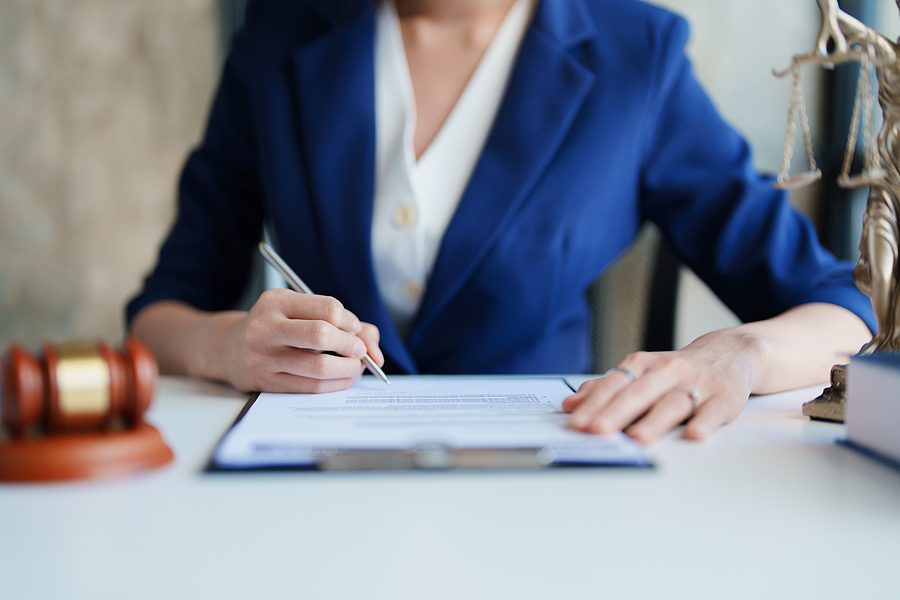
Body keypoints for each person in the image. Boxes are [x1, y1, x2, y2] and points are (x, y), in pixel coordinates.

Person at [127, 0, 874, 443]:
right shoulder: (280, 33)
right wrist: (229, 345)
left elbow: (851, 309)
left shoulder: (632, 55)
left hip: (547, 485)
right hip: (319, 484)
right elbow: (157, 317)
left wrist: (736, 355)